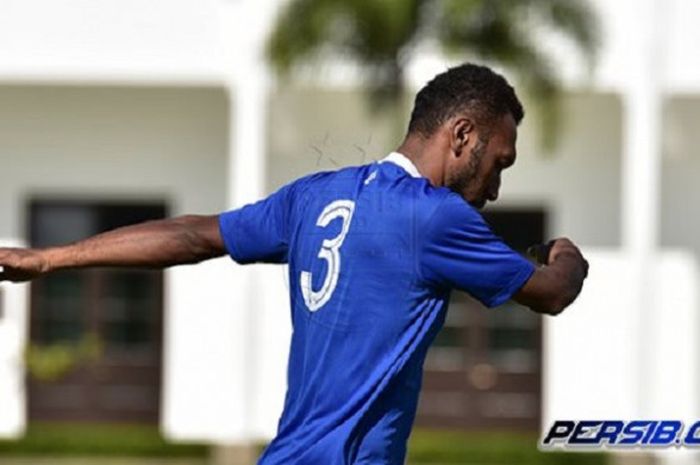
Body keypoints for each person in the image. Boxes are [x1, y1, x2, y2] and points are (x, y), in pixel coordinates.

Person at [0, 63, 588, 464]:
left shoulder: (314, 196)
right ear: (462, 135)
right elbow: (552, 292)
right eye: (500, 162)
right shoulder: (437, 217)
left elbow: (192, 234)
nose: (496, 188)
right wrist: (565, 255)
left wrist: (48, 258)